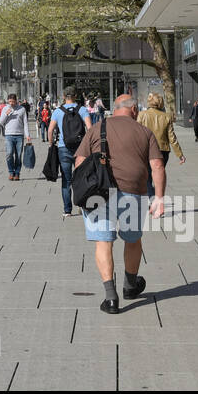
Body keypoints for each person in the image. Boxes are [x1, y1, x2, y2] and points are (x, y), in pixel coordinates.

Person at [73, 94, 165, 314]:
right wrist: (159, 199)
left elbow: (80, 162)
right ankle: (130, 286)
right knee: (132, 240)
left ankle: (111, 298)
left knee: (103, 242)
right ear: (133, 110)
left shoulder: (97, 128)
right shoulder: (144, 132)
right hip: (133, 193)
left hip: (99, 194)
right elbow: (158, 166)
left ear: (114, 109)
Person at [47, 87, 90, 220]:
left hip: (63, 148)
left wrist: (51, 144)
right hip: (80, 149)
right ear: (76, 96)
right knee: (81, 178)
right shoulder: (82, 110)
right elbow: (90, 128)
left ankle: (67, 210)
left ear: (64, 96)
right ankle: (82, 205)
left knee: (66, 180)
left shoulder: (58, 111)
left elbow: (50, 130)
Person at [136, 92, 184, 195]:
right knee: (158, 174)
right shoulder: (166, 117)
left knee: (147, 176)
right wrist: (180, 154)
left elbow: (136, 134)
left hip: (146, 149)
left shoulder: (141, 115)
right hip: (163, 150)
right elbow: (172, 137)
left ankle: (152, 196)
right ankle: (154, 196)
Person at [0, 93, 30, 181]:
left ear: (16, 101)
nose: (11, 103)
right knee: (9, 154)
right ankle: (11, 172)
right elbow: (1, 122)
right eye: (9, 101)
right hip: (9, 135)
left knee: (18, 155)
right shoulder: (5, 108)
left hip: (19, 135)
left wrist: (27, 135)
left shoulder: (22, 109)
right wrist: (6, 114)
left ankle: (17, 173)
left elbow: (25, 123)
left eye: (13, 101)